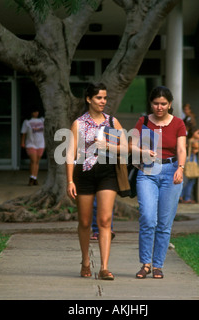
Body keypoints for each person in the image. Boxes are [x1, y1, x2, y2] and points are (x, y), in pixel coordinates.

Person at [66, 82, 127, 280]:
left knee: (104, 220)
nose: (103, 101)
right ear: (88, 99)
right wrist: (69, 181)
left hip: (107, 175)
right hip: (83, 174)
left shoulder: (112, 122)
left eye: (105, 98)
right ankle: (85, 261)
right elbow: (70, 153)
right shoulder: (79, 123)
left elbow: (125, 148)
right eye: (99, 98)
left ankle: (104, 267)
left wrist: (108, 145)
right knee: (84, 222)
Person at [131, 86, 186, 279]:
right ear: (151, 103)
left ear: (170, 104)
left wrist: (180, 168)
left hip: (171, 171)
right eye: (156, 103)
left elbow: (181, 149)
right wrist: (142, 152)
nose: (159, 107)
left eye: (163, 103)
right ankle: (145, 264)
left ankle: (158, 265)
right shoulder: (143, 121)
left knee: (164, 223)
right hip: (147, 170)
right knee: (147, 218)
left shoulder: (178, 123)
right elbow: (132, 146)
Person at [20, 108, 45, 186]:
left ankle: (35, 177)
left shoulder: (42, 120)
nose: (36, 113)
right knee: (33, 161)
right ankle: (31, 177)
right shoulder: (27, 122)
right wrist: (22, 142)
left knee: (37, 161)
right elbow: (23, 133)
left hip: (40, 143)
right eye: (34, 111)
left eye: (37, 111)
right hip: (31, 143)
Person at [180, 131, 199, 204]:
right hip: (191, 161)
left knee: (186, 181)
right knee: (189, 181)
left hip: (187, 160)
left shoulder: (187, 141)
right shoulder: (192, 141)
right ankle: (186, 197)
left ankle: (181, 197)